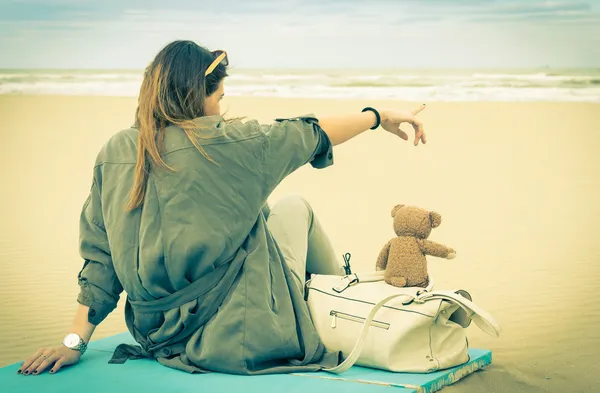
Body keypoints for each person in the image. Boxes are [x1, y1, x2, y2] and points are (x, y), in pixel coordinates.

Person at [17, 40, 427, 376]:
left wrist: (74, 342)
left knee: (258, 212)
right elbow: (311, 133)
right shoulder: (235, 145)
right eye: (219, 96)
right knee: (294, 208)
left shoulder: (116, 152)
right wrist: (377, 116)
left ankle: (339, 300)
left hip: (156, 334)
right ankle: (346, 305)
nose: (220, 108)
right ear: (200, 96)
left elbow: (101, 258)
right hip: (239, 337)